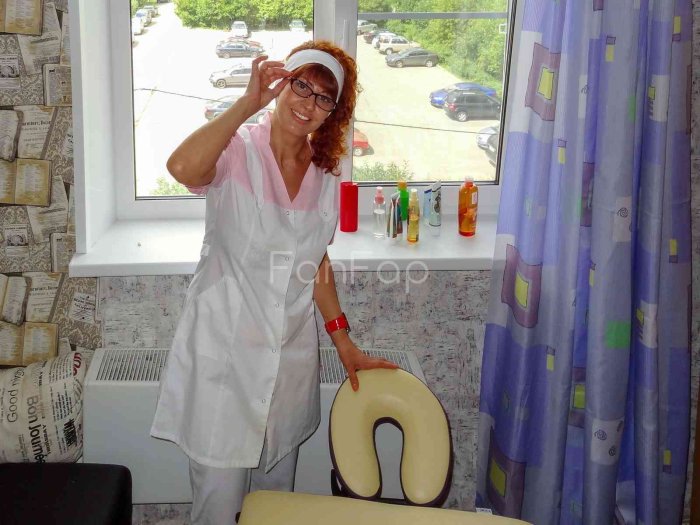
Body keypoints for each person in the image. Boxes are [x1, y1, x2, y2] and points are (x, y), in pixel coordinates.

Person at [150, 40, 399, 525]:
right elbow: (181, 168)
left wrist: (343, 342)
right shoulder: (238, 150)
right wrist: (247, 102)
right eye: (301, 86)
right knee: (218, 510)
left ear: (333, 111)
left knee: (274, 509)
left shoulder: (326, 173)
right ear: (282, 83)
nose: (308, 103)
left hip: (288, 366)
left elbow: (314, 261)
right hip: (224, 365)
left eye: (323, 97)